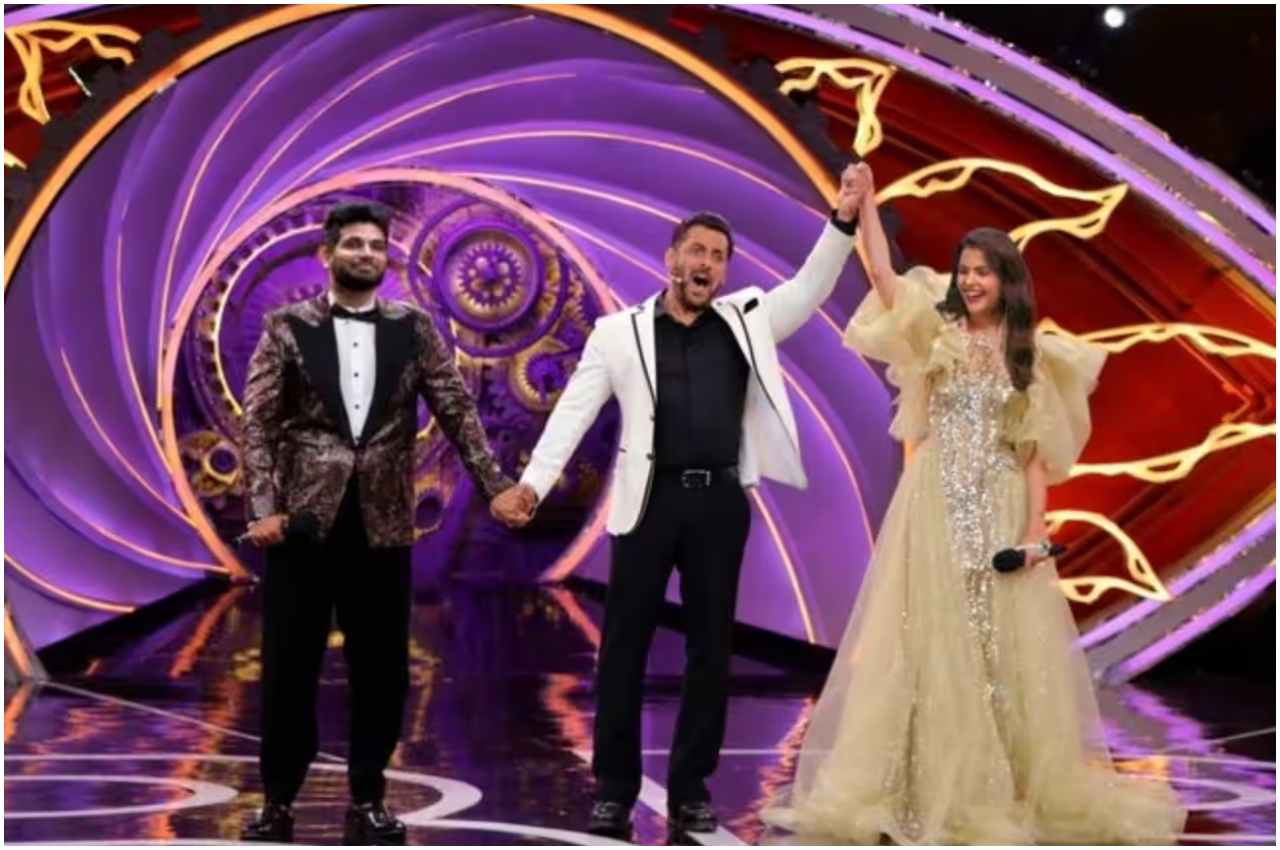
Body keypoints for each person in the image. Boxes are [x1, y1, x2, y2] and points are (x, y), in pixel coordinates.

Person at [761, 167, 1187, 844]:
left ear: (1007, 279)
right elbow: (882, 276)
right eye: (964, 271)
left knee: (998, 648)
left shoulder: (1029, 355)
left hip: (999, 507)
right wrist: (866, 204)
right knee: (927, 637)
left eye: (983, 271)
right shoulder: (938, 333)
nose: (970, 281)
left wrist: (1036, 533)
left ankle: (1002, 787)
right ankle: (921, 784)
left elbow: (1032, 455)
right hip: (934, 504)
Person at [490, 164, 872, 839]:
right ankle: (614, 791)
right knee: (624, 650)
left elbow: (810, 287)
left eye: (718, 256)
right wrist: (533, 484)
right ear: (672, 260)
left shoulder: (747, 320)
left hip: (719, 503)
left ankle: (692, 788)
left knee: (709, 651)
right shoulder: (620, 333)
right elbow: (575, 410)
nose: (707, 264)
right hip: (650, 501)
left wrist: (842, 218)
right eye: (696, 251)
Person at [239, 201, 515, 844]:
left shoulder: (413, 328)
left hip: (382, 524)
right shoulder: (286, 326)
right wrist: (262, 509)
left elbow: (457, 411)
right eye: (353, 243)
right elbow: (259, 425)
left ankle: (368, 798)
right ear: (327, 254)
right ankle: (277, 802)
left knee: (383, 671)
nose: (366, 253)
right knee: (289, 668)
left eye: (375, 244)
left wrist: (497, 487)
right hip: (303, 526)